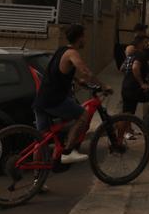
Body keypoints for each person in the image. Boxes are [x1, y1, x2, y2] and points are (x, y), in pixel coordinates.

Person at [34, 24, 100, 165]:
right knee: (83, 115)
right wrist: (103, 85)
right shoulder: (72, 53)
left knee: (41, 140)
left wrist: (78, 81)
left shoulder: (61, 50)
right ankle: (68, 152)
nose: (85, 40)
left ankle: (36, 181)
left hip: (41, 100)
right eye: (84, 37)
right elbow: (85, 70)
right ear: (80, 38)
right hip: (54, 100)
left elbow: (59, 72)